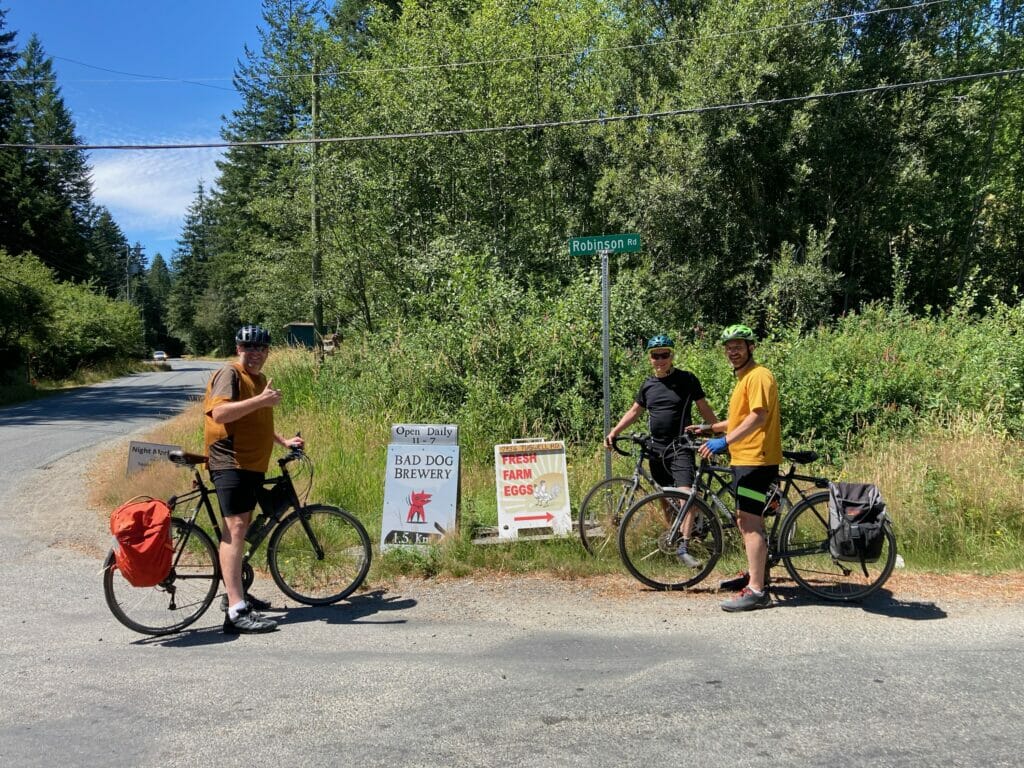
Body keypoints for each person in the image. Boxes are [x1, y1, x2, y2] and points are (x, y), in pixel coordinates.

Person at [204, 324, 304, 634]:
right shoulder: (229, 374)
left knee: (240, 526)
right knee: (235, 529)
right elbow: (219, 415)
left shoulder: (258, 380)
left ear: (268, 351)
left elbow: (253, 420)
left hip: (250, 465)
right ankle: (236, 611)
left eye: (261, 348)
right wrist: (261, 401)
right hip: (230, 461)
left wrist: (283, 441)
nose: (255, 353)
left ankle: (235, 595)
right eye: (249, 347)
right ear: (238, 349)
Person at [688, 324, 782, 612]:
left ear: (751, 347)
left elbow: (757, 417)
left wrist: (723, 442)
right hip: (745, 459)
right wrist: (709, 429)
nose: (733, 351)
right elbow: (741, 419)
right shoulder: (744, 379)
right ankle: (756, 575)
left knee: (750, 523)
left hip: (756, 461)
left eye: (738, 346)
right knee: (746, 521)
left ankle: (756, 591)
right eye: (729, 347)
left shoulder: (758, 376)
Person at [605, 334, 718, 567]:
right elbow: (635, 411)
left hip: (680, 448)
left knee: (687, 495)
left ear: (672, 356)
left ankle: (685, 547)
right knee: (666, 498)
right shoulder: (648, 385)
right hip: (656, 450)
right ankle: (674, 540)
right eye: (656, 356)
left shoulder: (686, 379)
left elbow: (703, 407)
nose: (660, 360)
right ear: (650, 358)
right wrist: (614, 431)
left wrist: (719, 432)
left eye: (664, 355)